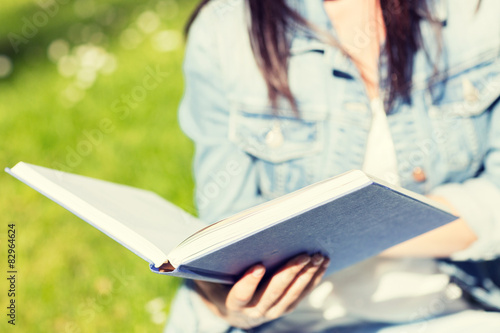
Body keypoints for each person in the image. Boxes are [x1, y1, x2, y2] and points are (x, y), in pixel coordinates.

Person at [165, 0, 500, 332]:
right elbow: (225, 224)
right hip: (291, 324)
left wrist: (348, 232)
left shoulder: (476, 13)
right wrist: (230, 303)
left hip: (454, 311)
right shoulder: (223, 29)